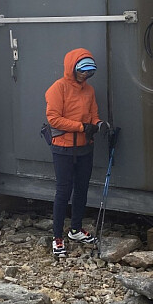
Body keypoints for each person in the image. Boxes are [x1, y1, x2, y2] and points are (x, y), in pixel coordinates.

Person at [45, 48, 106, 257]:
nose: (85, 75)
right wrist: (81, 127)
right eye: (82, 71)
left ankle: (75, 229)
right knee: (63, 191)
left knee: (81, 189)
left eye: (89, 72)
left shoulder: (89, 90)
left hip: (84, 147)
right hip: (63, 148)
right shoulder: (58, 88)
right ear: (72, 68)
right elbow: (53, 119)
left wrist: (99, 124)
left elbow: (93, 114)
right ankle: (57, 236)